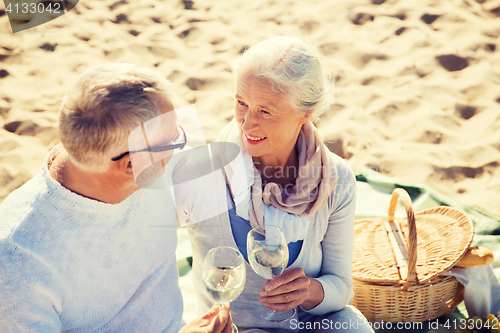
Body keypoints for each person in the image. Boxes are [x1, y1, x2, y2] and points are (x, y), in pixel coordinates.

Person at [0, 63, 233, 333]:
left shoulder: (140, 162)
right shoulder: (19, 263)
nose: (181, 148)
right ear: (131, 166)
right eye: (173, 141)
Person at [172, 36, 374, 332]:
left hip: (307, 325)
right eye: (241, 103)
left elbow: (341, 288)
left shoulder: (337, 179)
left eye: (266, 110)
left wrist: (309, 291)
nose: (247, 122)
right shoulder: (203, 173)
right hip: (233, 329)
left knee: (352, 324)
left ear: (306, 114)